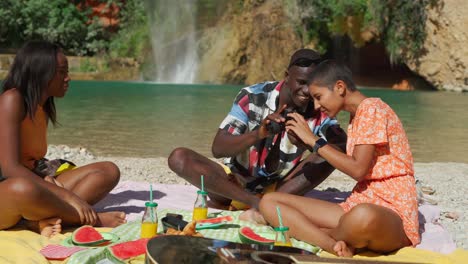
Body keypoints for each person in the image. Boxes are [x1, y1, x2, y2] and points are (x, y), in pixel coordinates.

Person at [259, 60, 419, 256]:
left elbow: (357, 169)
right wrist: (307, 142)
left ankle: (318, 234)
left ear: (340, 87)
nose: (316, 105)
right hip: (358, 203)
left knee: (362, 217)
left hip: (393, 214)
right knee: (270, 201)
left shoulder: (372, 108)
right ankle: (332, 245)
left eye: (319, 97)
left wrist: (314, 141)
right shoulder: (357, 115)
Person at [168, 49, 347, 216]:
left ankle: (268, 202)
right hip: (232, 186)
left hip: (280, 189)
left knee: (331, 154)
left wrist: (308, 142)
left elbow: (343, 145)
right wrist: (258, 134)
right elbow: (218, 148)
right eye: (301, 82)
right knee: (179, 157)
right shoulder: (253, 96)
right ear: (286, 77)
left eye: (313, 85)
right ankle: (257, 204)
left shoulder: (319, 108)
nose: (307, 91)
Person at [0, 40, 126, 237]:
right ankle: (93, 219)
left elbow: (30, 163)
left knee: (108, 171)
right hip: (8, 189)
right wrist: (67, 196)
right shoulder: (12, 99)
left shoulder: (42, 105)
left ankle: (42, 220)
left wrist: (48, 181)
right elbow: (10, 169)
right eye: (61, 72)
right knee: (23, 188)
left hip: (33, 179)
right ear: (41, 72)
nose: (67, 79)